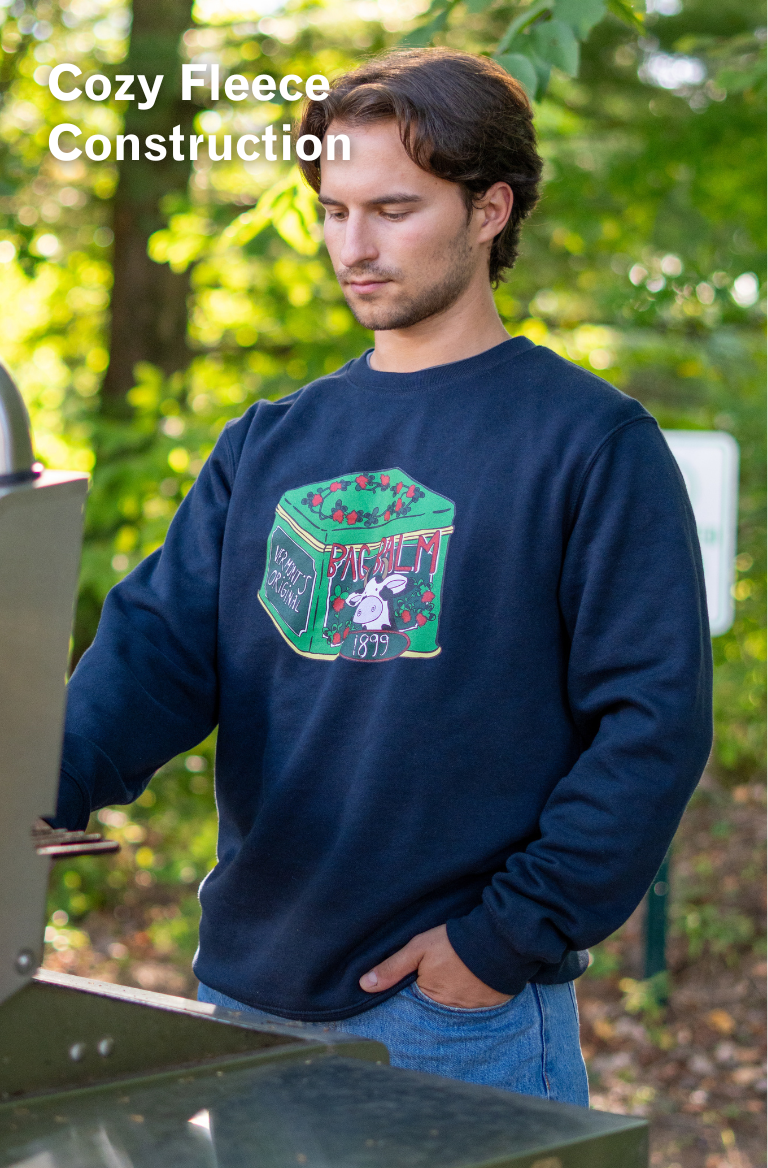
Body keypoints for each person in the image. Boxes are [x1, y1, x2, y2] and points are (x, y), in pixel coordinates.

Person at [51, 48, 712, 1106]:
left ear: (490, 209)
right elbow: (154, 660)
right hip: (248, 994)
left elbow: (653, 724)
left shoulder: (588, 443)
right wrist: (37, 787)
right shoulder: (270, 443)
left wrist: (503, 941)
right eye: (333, 210)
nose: (352, 247)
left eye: (393, 210)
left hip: (455, 1016)